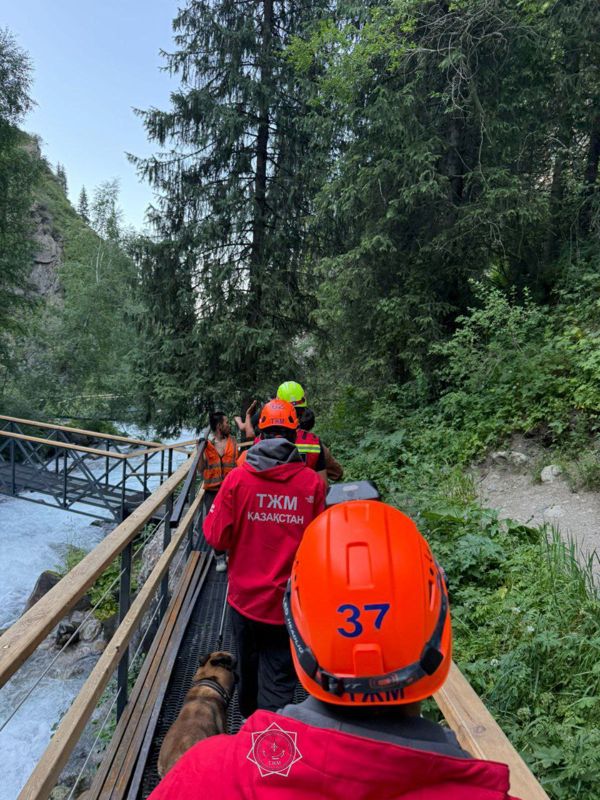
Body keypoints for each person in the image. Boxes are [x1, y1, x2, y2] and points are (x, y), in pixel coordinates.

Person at [149, 500, 521, 799]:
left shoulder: (201, 775)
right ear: (439, 636)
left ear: (298, 628)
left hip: (244, 601)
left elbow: (215, 533)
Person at [203, 398, 325, 718]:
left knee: (248, 667)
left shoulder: (238, 480)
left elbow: (216, 536)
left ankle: (247, 724)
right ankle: (271, 739)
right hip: (287, 605)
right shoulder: (312, 485)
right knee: (280, 678)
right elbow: (320, 546)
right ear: (294, 434)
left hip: (244, 601)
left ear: (259, 432)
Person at [198, 410, 238, 572]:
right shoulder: (207, 446)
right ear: (219, 426)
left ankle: (231, 553)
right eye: (227, 422)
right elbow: (201, 469)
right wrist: (199, 451)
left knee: (233, 523)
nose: (229, 425)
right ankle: (219, 556)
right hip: (213, 491)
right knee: (214, 525)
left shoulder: (233, 442)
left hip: (230, 490)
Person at [276, 381, 328, 485]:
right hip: (305, 498)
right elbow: (323, 486)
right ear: (303, 410)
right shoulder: (314, 442)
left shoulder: (262, 440)